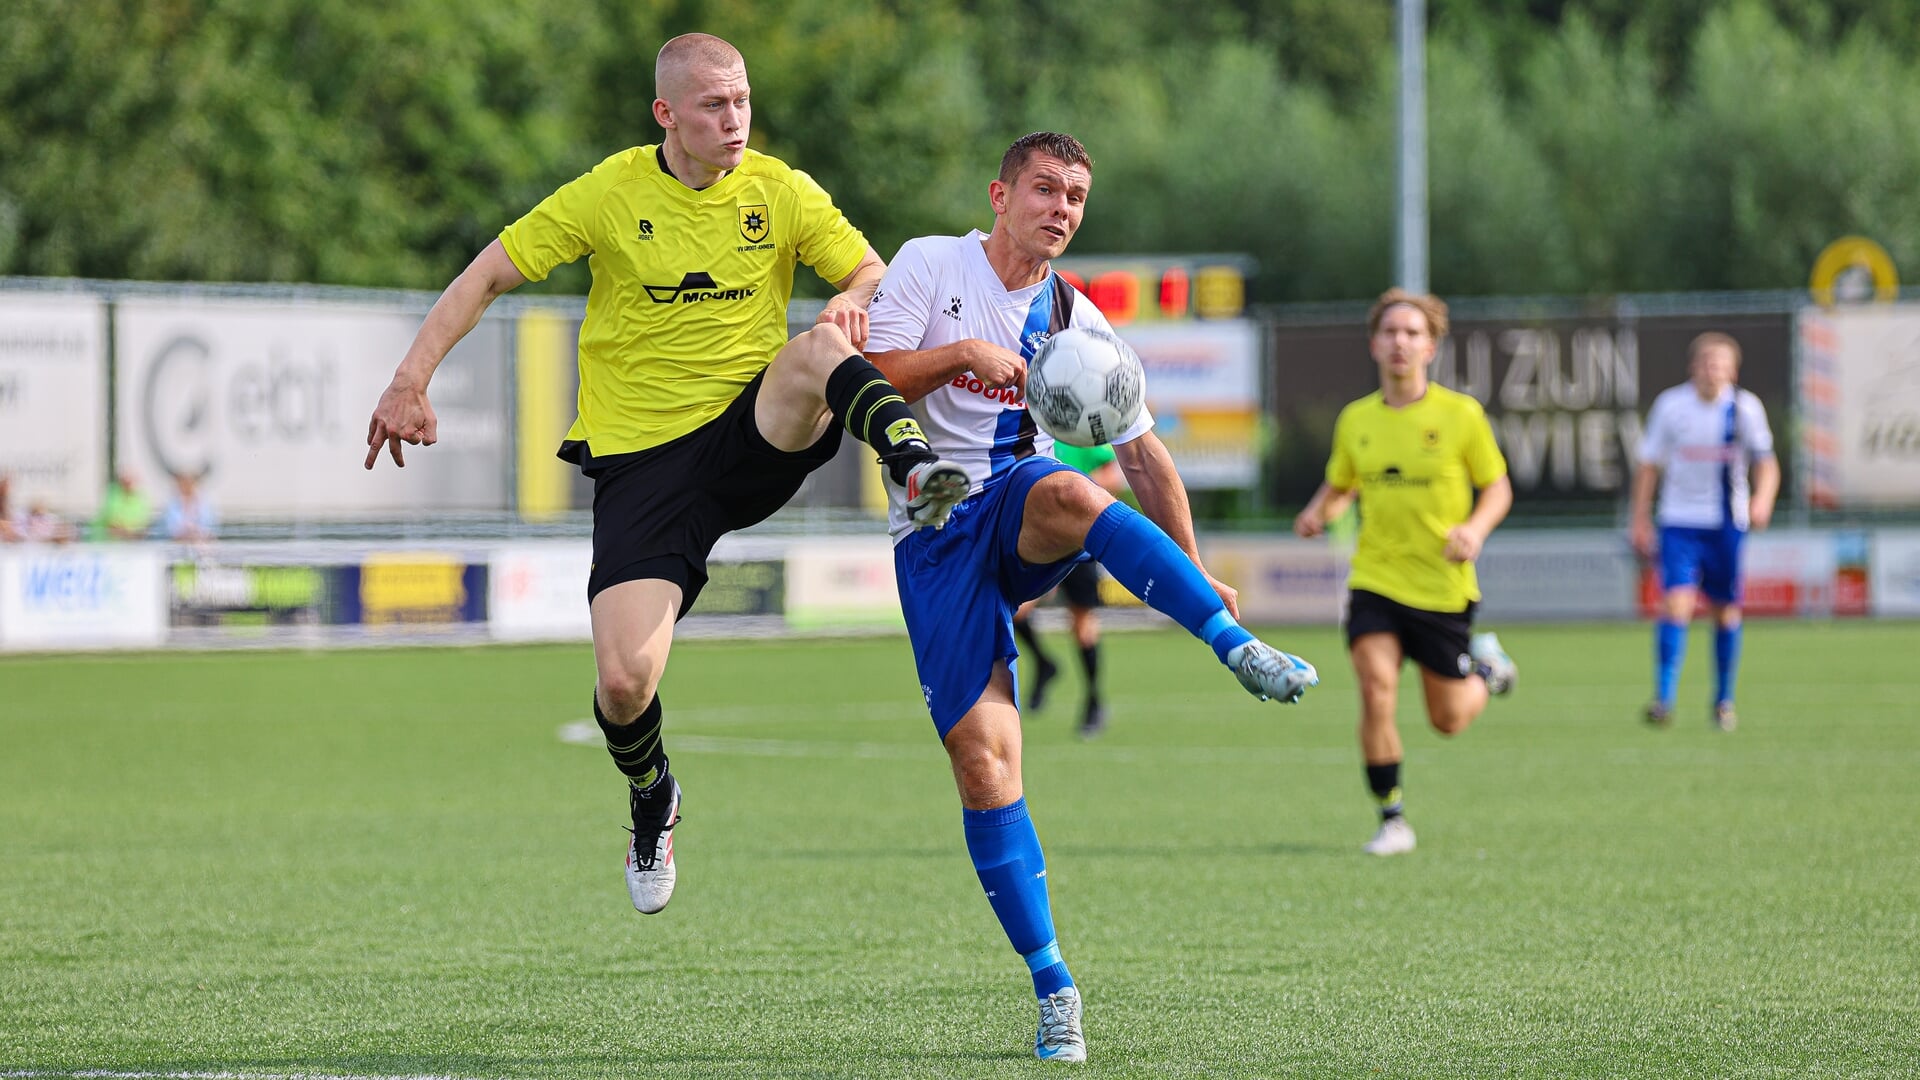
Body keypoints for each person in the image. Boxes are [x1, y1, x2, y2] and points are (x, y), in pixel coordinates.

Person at [363, 33, 969, 916]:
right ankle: (654, 797)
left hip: (751, 431)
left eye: (743, 101)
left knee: (818, 351)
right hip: (644, 466)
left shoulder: (782, 190)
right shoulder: (609, 193)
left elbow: (872, 268)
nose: (735, 121)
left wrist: (856, 294)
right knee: (624, 681)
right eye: (715, 106)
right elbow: (490, 273)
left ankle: (914, 467)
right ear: (667, 115)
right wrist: (409, 377)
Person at [864, 131, 1318, 1064]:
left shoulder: (1078, 321)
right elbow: (865, 381)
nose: (1061, 208)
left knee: (1077, 487)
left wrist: (1195, 582)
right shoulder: (930, 264)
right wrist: (961, 357)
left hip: (1017, 502)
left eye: (1075, 195)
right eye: (1044, 189)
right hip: (935, 535)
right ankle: (1054, 985)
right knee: (987, 768)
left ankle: (1233, 647)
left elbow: (1144, 455)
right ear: (1000, 193)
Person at [1294, 289, 1518, 858]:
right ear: (1374, 343)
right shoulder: (1357, 420)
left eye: (1412, 333)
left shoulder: (1460, 415)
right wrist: (1321, 511)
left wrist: (1475, 530)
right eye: (1391, 331)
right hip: (1376, 580)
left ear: (1431, 346)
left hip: (1443, 587)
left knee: (1448, 719)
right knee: (1376, 691)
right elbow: (1343, 483)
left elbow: (1497, 487)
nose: (1400, 342)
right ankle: (1392, 817)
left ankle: (1486, 672)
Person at [1629, 332, 1778, 732]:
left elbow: (1766, 463)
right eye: (1705, 363)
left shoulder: (1745, 409)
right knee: (1675, 603)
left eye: (1720, 363)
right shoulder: (1671, 406)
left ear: (1732, 369)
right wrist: (1639, 517)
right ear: (1693, 367)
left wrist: (1762, 499)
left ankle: (1723, 700)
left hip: (1726, 524)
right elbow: (1648, 465)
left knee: (1725, 610)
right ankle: (1663, 698)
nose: (1712, 370)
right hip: (1679, 522)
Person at [1012, 441, 1127, 736]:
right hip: (1041, 536)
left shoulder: (1082, 432)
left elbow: (1113, 478)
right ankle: (1044, 663)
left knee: (1082, 624)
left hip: (1078, 539)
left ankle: (1093, 699)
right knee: (1016, 611)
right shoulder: (1032, 429)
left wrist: (1070, 490)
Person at [159, 470, 219, 544]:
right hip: (178, 543)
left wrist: (197, 533)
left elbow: (209, 524)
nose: (186, 486)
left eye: (189, 483)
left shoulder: (204, 502)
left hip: (200, 542)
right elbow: (170, 527)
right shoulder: (173, 503)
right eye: (184, 483)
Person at [95, 470, 152, 540]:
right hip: (109, 542)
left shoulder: (139, 497)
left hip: (131, 542)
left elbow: (144, 523)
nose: (129, 484)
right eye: (126, 481)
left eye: (131, 481)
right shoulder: (113, 494)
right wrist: (130, 534)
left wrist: (133, 534)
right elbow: (112, 523)